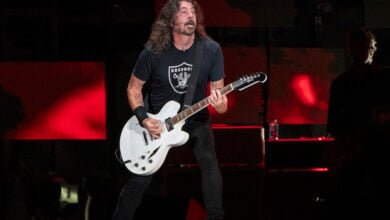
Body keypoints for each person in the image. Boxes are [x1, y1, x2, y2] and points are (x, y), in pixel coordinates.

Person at [111, 0, 227, 219]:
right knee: (140, 177)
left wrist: (220, 103)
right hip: (156, 120)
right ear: (170, 20)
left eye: (193, 11)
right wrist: (144, 118)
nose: (190, 15)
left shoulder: (211, 50)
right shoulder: (153, 52)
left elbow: (220, 100)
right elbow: (133, 88)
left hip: (195, 117)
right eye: (183, 11)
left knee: (209, 161)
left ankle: (216, 217)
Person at [326, 26, 390, 220]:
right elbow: (335, 125)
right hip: (365, 154)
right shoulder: (381, 78)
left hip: (371, 153)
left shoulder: (343, 83)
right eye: (356, 46)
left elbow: (334, 125)